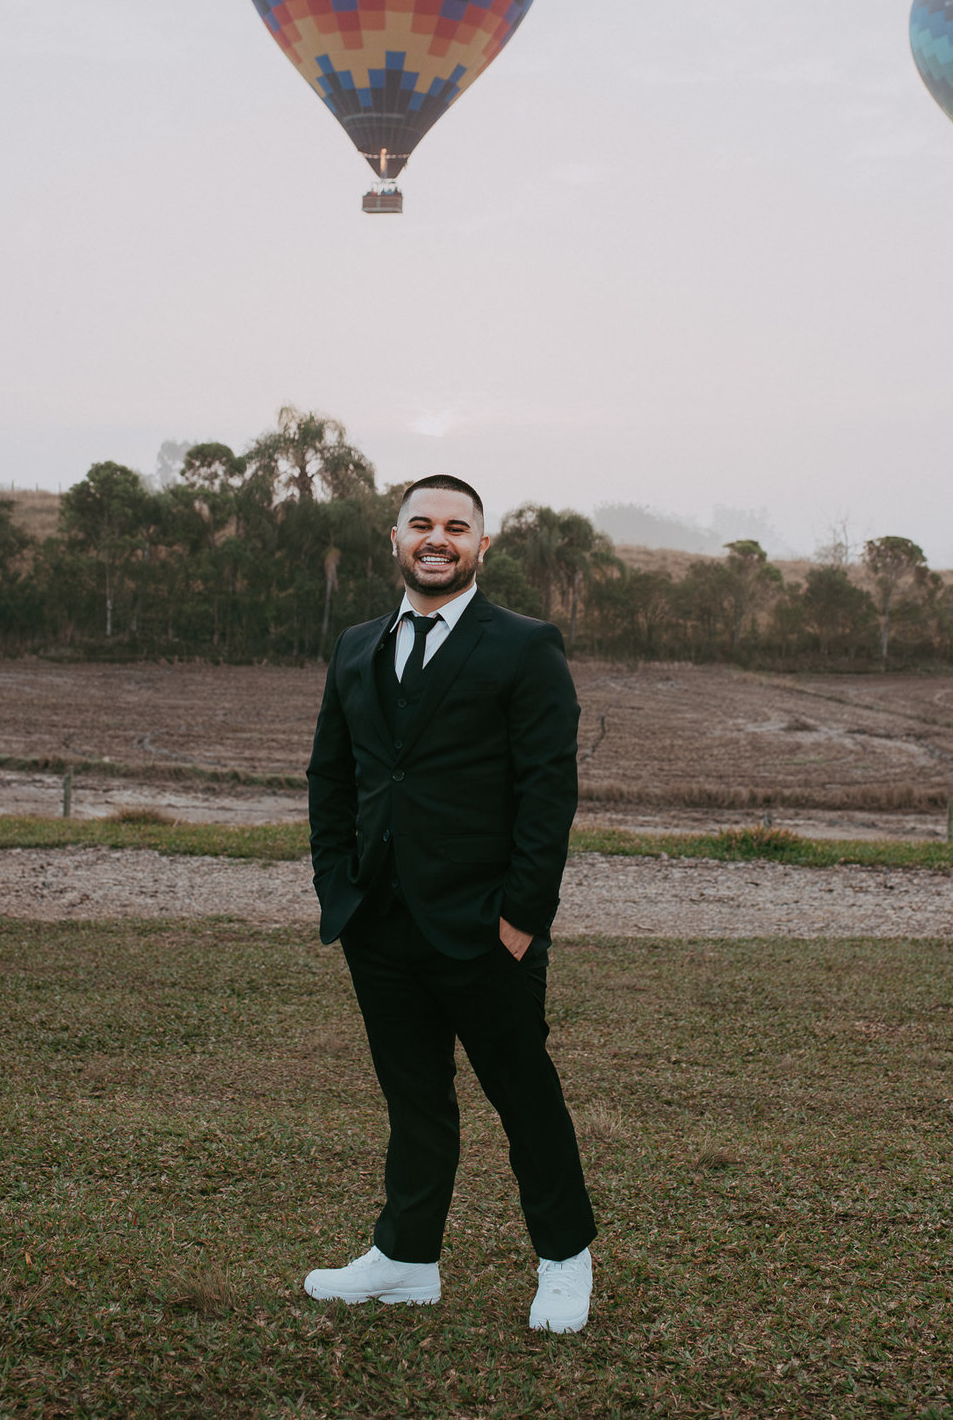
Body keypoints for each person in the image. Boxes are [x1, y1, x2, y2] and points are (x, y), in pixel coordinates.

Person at [304, 474, 596, 1333]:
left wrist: (520, 919)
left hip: (485, 928)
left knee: (524, 1094)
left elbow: (549, 792)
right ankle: (405, 1261)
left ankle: (564, 1261)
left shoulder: (524, 646)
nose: (438, 538)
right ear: (394, 540)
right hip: (380, 925)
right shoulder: (358, 645)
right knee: (413, 1098)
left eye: (456, 527)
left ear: (481, 546)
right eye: (421, 524)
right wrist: (337, 888)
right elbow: (332, 775)